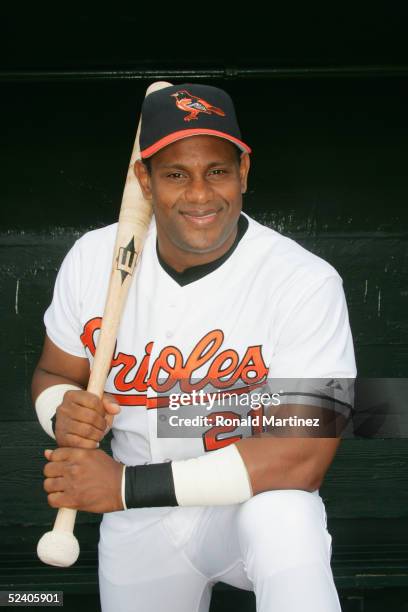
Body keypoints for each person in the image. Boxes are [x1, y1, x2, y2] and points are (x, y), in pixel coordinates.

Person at [32, 83, 356, 612]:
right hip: (138, 522)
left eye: (218, 171)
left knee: (287, 519)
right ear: (145, 179)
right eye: (177, 174)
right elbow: (53, 373)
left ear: (244, 172)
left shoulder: (304, 281)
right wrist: (61, 412)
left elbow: (302, 458)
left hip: (245, 502)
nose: (201, 195)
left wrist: (123, 488)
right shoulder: (92, 259)